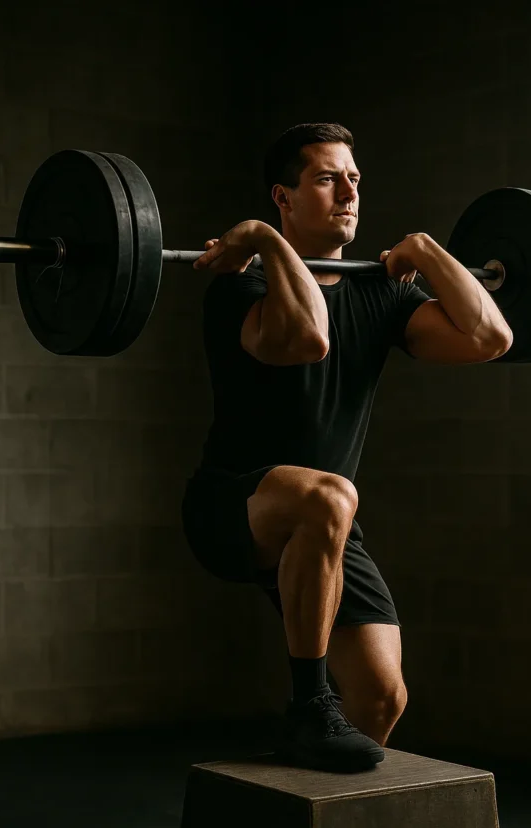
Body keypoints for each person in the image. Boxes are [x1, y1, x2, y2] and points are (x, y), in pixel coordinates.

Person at [181, 123, 512, 773]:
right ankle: (309, 707)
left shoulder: (379, 292)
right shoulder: (240, 285)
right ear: (283, 196)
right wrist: (266, 246)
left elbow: (489, 339)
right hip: (231, 505)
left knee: (381, 697)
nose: (347, 191)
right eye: (327, 178)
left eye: (353, 178)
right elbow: (306, 339)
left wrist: (426, 252)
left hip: (325, 521)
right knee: (328, 494)